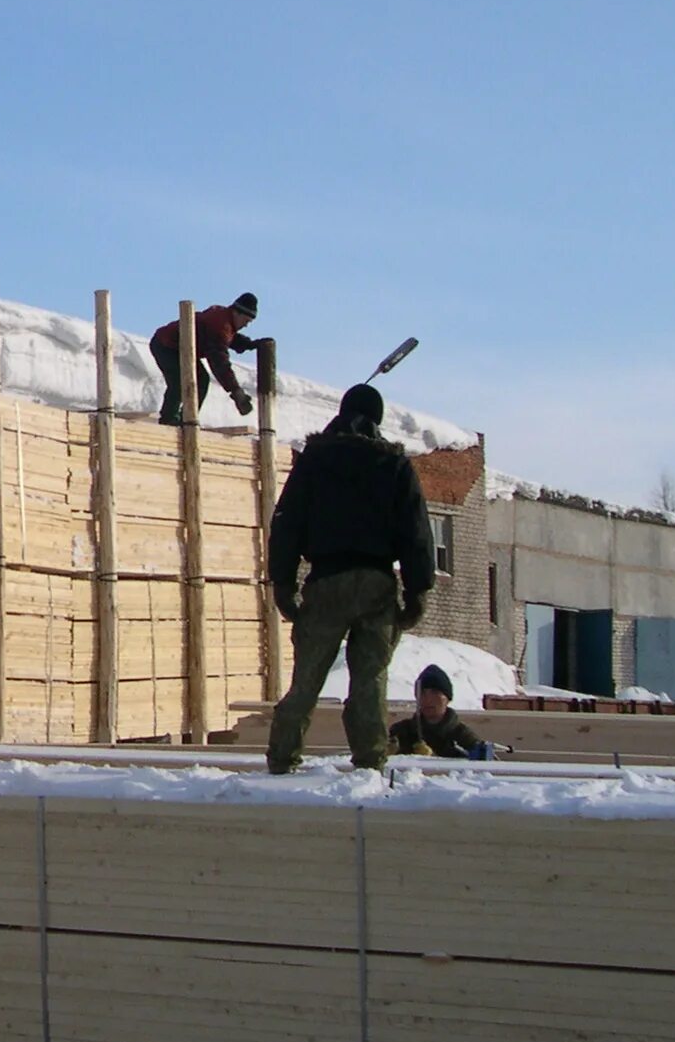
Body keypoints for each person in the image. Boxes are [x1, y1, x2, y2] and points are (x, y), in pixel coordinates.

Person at [263, 382, 435, 773]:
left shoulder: (315, 461)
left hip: (327, 582)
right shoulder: (393, 465)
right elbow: (416, 532)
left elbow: (287, 522)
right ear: (378, 420)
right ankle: (370, 760)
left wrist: (283, 583)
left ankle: (282, 757)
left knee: (306, 680)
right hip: (376, 583)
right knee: (369, 679)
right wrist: (418, 589)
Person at [151, 293, 260, 425]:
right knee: (179, 381)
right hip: (166, 346)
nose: (246, 325)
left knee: (201, 379)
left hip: (181, 349)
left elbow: (228, 339)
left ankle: (186, 418)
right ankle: (170, 419)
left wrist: (250, 344)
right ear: (237, 313)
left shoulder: (224, 320)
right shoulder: (220, 324)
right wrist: (235, 390)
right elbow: (219, 361)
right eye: (246, 321)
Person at [389, 663, 486, 759]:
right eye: (423, 693)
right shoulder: (401, 732)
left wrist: (433, 759)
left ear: (447, 699)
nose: (428, 699)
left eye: (435, 693)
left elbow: (484, 765)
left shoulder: (462, 736)